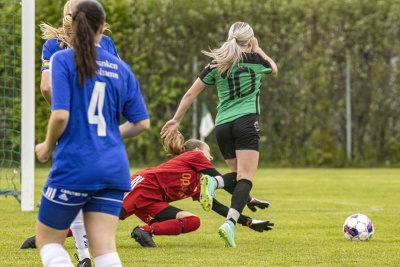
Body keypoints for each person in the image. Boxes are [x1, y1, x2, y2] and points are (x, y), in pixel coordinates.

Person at [34, 1, 149, 266]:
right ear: (103, 27)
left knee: (48, 241)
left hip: (76, 159)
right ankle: (84, 255)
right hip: (114, 165)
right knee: (106, 250)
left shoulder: (61, 57)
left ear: (71, 23)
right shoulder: (121, 67)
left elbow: (58, 110)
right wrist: (110, 133)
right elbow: (142, 123)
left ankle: (81, 255)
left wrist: (47, 145)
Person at [160, 21, 278, 248]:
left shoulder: (217, 63)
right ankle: (214, 182)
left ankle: (230, 224)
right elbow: (273, 68)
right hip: (246, 122)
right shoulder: (256, 60)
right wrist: (259, 49)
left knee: (237, 176)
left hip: (222, 126)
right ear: (250, 41)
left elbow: (189, 94)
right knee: (246, 177)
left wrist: (176, 120)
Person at [24, 1, 121, 266]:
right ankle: (102, 253)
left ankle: (84, 253)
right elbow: (118, 83)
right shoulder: (107, 43)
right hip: (102, 126)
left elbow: (46, 88)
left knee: (69, 191)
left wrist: (65, 106)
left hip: (70, 126)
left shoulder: (53, 45)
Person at [119, 131, 274, 248]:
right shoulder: (193, 156)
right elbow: (223, 181)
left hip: (154, 201)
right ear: (198, 151)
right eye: (209, 152)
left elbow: (218, 207)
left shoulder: (199, 185)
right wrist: (248, 199)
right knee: (111, 214)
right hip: (144, 186)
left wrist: (248, 222)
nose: (211, 157)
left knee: (193, 221)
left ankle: (144, 231)